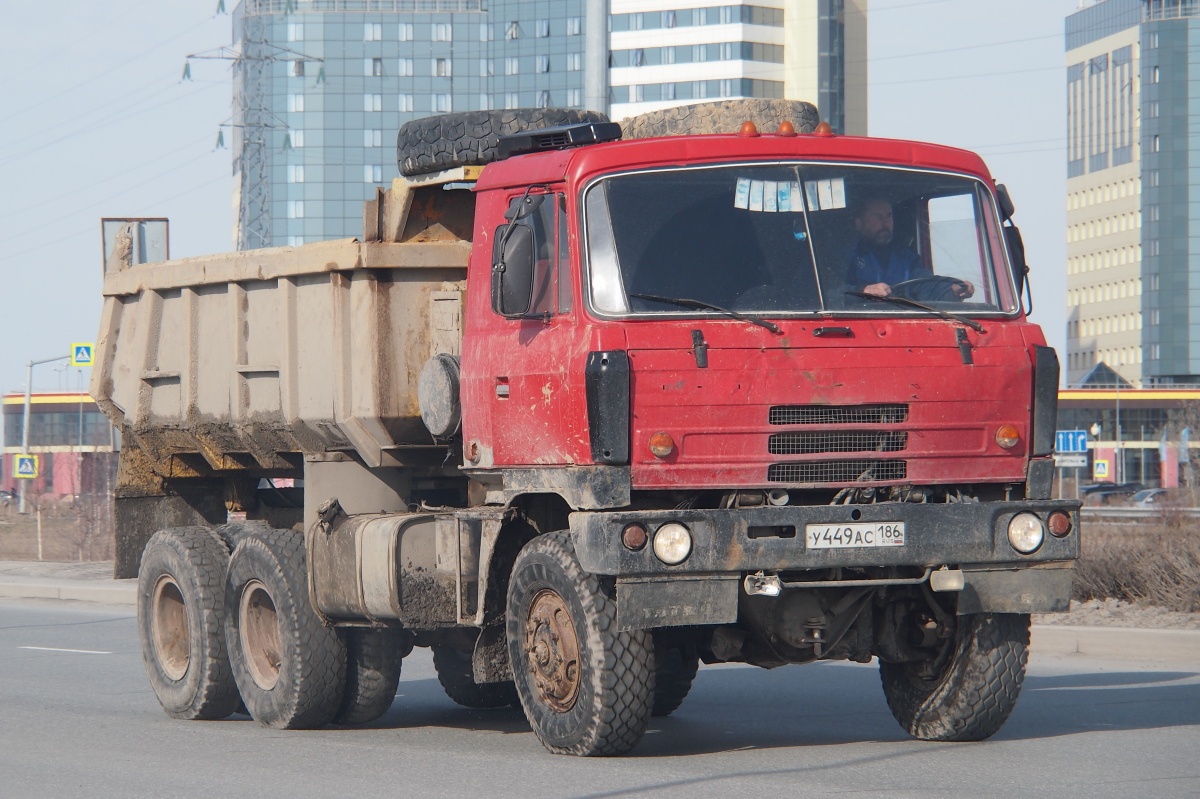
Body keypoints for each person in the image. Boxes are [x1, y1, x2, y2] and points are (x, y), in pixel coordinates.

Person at [843, 196, 973, 300]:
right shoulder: (845, 256)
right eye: (877, 216)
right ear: (859, 223)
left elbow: (926, 286)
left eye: (889, 215)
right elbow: (831, 294)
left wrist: (952, 290)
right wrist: (862, 291)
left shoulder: (906, 257)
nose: (885, 222)